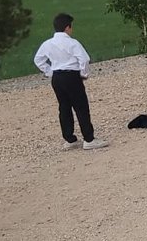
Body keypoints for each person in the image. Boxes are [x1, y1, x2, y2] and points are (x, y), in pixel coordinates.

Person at [33, 13, 107, 151]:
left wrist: (49, 72)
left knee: (64, 107)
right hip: (71, 76)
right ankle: (89, 139)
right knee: (81, 107)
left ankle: (69, 139)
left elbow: (38, 60)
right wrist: (83, 74)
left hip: (57, 77)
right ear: (67, 28)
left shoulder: (47, 44)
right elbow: (84, 59)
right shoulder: (72, 43)